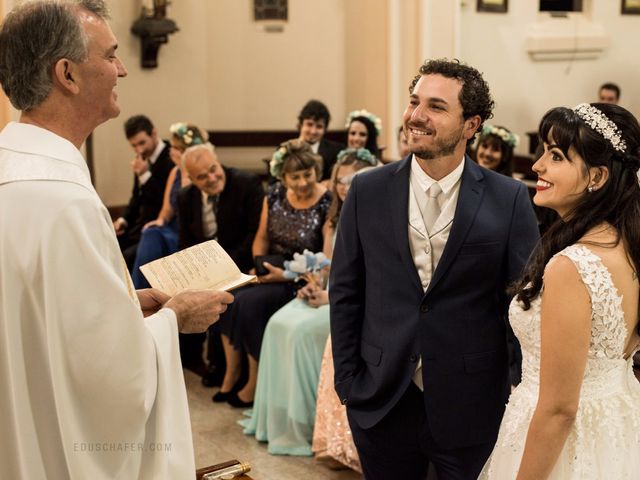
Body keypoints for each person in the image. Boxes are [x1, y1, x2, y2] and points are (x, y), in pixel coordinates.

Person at [0, 2, 234, 478]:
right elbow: (109, 382)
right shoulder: (63, 200)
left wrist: (126, 309)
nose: (122, 69)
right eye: (109, 56)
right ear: (67, 73)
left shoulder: (14, 168)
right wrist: (174, 317)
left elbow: (53, 331)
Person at [329, 58, 540, 480]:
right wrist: (349, 381)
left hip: (472, 402)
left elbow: (521, 302)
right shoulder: (367, 190)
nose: (416, 116)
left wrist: (516, 385)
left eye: (436, 107)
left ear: (470, 124)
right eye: (414, 102)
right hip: (381, 397)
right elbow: (346, 290)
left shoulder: (509, 198)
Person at [479, 103, 640, 479]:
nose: (537, 166)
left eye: (556, 156)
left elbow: (559, 409)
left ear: (597, 177)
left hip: (567, 443)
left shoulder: (572, 266)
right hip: (616, 425)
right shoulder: (626, 245)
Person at [241, 148, 377, 456]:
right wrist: (312, 284)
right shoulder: (334, 218)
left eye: (352, 179)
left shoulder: (377, 217)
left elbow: (372, 279)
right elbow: (329, 265)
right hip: (331, 292)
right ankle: (276, 421)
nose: (344, 186)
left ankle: (303, 425)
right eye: (339, 179)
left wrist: (330, 297)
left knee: (301, 333)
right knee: (278, 323)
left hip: (356, 302)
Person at [215, 139, 332, 408]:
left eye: (308, 174)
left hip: (302, 277)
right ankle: (232, 372)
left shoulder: (326, 201)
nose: (303, 182)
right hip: (272, 269)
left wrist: (285, 274)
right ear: (283, 177)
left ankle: (255, 382)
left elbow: (326, 258)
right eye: (295, 176)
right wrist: (260, 264)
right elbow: (261, 237)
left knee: (249, 304)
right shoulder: (275, 194)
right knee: (228, 297)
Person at [178, 142, 264, 384]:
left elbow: (252, 235)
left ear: (217, 159)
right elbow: (186, 242)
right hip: (205, 269)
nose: (212, 178)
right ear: (192, 180)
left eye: (214, 169)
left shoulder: (246, 184)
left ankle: (226, 369)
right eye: (202, 177)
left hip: (241, 264)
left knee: (222, 295)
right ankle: (193, 359)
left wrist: (222, 270)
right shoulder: (185, 198)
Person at [131, 122, 207, 289]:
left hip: (189, 231)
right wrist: (159, 220)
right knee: (151, 232)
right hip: (172, 227)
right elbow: (166, 210)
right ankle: (139, 292)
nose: (170, 151)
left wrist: (186, 169)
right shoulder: (175, 172)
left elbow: (193, 210)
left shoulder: (200, 174)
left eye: (175, 148)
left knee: (155, 238)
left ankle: (142, 292)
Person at [114, 114, 174, 269]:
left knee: (126, 257)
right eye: (133, 145)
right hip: (138, 226)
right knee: (109, 246)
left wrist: (145, 175)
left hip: (160, 228)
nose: (139, 149)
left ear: (154, 133)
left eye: (142, 143)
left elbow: (166, 201)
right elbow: (136, 198)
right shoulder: (142, 158)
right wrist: (123, 220)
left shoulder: (171, 157)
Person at [296, 99, 345, 181]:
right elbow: (274, 183)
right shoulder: (286, 149)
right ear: (300, 125)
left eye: (319, 126)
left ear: (325, 129)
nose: (313, 131)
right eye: (309, 124)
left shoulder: (337, 151)